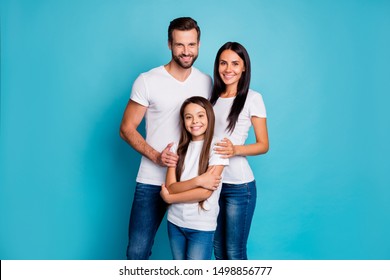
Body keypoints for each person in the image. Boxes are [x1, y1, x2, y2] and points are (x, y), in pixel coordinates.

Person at [119, 17, 212, 260]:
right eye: (180, 45)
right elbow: (127, 128)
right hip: (152, 179)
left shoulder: (206, 82)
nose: (186, 51)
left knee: (194, 259)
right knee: (137, 252)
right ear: (169, 44)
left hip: (191, 181)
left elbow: (210, 127)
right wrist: (156, 156)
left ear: (199, 44)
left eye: (191, 45)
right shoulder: (147, 81)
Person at [210, 42, 269, 260]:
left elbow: (263, 144)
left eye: (235, 63)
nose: (228, 69)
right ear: (217, 66)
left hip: (239, 188)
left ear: (244, 67)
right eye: (223, 63)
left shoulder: (253, 98)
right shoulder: (212, 98)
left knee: (234, 252)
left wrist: (235, 149)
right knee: (217, 247)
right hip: (212, 184)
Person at [160, 96, 228, 260]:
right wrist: (198, 181)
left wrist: (170, 198)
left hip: (201, 226)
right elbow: (171, 187)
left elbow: (204, 193)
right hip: (175, 222)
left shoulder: (218, 147)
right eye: (188, 117)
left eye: (200, 115)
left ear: (209, 117)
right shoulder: (176, 147)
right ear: (183, 121)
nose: (194, 121)